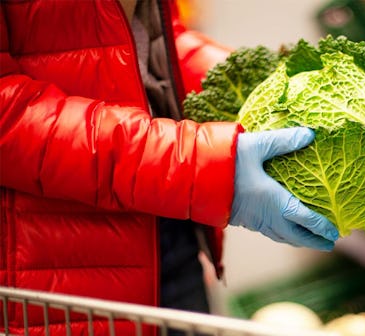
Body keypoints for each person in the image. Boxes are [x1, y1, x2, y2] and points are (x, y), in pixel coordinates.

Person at [0, 0, 339, 334]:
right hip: (57, 263)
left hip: (169, 221)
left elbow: (146, 37)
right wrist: (197, 167)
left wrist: (255, 84)